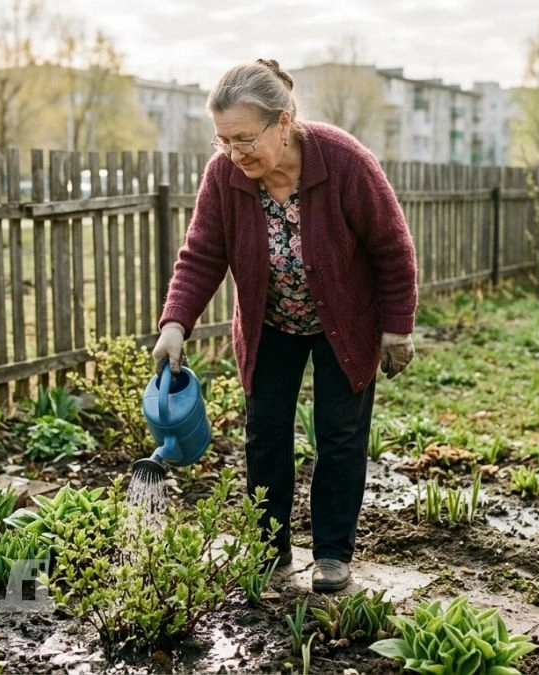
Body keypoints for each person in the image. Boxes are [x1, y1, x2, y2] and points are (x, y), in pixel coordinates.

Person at [152, 58, 417, 593]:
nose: (235, 152)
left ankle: (332, 555)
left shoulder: (343, 161)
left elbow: (392, 246)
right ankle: (270, 549)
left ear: (284, 121)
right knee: (265, 434)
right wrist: (176, 322)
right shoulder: (225, 175)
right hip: (271, 321)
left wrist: (397, 327)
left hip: (346, 320)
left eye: (246, 138)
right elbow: (202, 254)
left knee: (339, 433)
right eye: (223, 140)